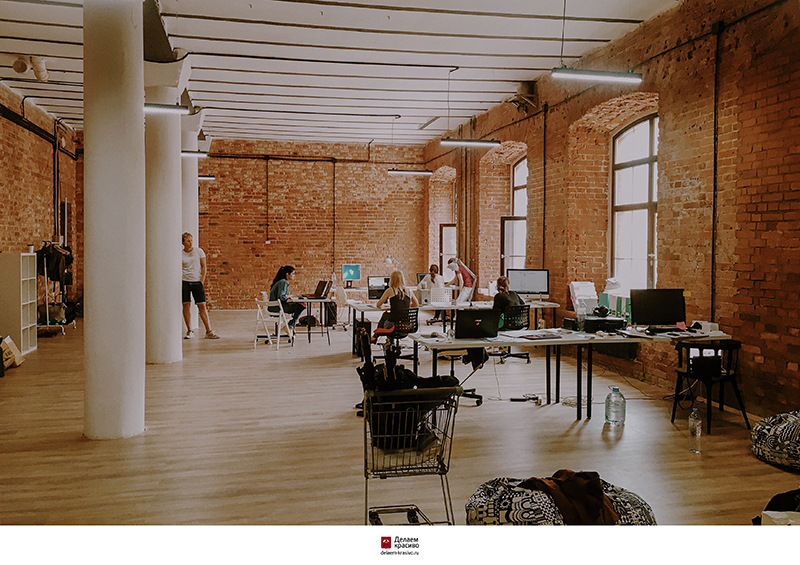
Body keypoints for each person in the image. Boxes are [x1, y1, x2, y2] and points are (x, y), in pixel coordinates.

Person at [182, 232, 220, 339]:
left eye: (191, 240)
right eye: (188, 241)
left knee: (202, 305)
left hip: (196, 281)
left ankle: (209, 331)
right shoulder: (180, 254)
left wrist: (201, 281)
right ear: (183, 242)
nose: (190, 243)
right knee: (186, 305)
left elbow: (204, 266)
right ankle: (189, 330)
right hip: (185, 282)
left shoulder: (199, 251)